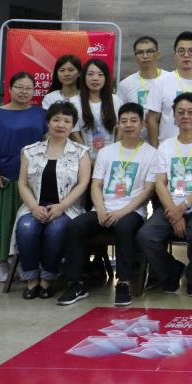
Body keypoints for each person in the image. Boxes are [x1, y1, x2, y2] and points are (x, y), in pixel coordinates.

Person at [57, 103, 157, 307]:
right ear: (118, 124)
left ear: (143, 124)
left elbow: (148, 190)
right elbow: (96, 185)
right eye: (124, 121)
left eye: (134, 121)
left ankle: (124, 283)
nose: (129, 125)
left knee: (124, 226)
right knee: (75, 226)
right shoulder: (106, 152)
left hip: (132, 211)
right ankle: (76, 283)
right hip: (102, 209)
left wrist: (122, 212)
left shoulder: (152, 154)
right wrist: (101, 210)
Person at [137, 92, 192, 296]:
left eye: (191, 112)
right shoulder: (166, 146)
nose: (185, 116)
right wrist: (173, 211)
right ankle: (171, 271)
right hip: (170, 206)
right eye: (180, 112)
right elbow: (160, 183)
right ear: (173, 116)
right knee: (145, 236)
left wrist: (181, 209)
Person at [12, 101, 91, 299]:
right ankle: (31, 280)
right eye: (56, 119)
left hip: (67, 208)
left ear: (72, 125)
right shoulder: (30, 151)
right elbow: (22, 183)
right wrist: (33, 207)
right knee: (26, 228)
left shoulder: (81, 152)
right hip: (34, 206)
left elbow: (83, 184)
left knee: (56, 229)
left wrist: (62, 206)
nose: (61, 124)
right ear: (48, 122)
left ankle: (47, 280)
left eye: (66, 121)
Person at [0, 72, 46, 283]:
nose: (24, 91)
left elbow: (48, 141)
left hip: (33, 178)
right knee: (4, 221)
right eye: (19, 87)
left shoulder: (40, 113)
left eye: (28, 88)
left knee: (27, 223)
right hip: (5, 176)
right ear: (10, 89)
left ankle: (24, 262)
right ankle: (2, 262)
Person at [146, 31, 192, 147]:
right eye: (181, 51)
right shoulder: (161, 83)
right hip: (168, 149)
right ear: (175, 55)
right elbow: (152, 119)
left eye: (191, 51)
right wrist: (155, 150)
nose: (186, 55)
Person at [70, 59, 121, 163]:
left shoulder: (115, 100)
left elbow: (120, 131)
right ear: (84, 77)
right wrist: (87, 159)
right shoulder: (74, 102)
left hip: (111, 158)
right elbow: (75, 134)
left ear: (106, 78)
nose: (95, 78)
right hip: (84, 158)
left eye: (100, 74)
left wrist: (114, 155)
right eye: (90, 74)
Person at [117, 36, 166, 109]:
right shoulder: (125, 85)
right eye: (140, 52)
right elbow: (120, 112)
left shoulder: (171, 79)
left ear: (158, 55)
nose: (145, 56)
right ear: (135, 57)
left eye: (149, 51)